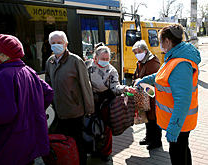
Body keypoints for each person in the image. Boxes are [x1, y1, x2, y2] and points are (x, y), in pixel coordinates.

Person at [135, 24, 201, 165]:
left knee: (178, 156)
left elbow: (183, 100)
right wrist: (144, 80)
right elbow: (161, 75)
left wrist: (174, 128)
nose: (159, 45)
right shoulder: (173, 58)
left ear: (167, 41)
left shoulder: (181, 64)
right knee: (182, 151)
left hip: (179, 122)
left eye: (159, 41)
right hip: (176, 120)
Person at [0, 34, 54, 165]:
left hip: (11, 141)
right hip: (29, 138)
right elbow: (48, 93)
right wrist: (34, 112)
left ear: (6, 55)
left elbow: (1, 114)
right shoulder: (29, 71)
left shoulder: (2, 76)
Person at [45, 31, 94, 165]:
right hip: (58, 111)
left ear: (66, 44)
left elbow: (85, 85)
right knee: (63, 143)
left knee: (78, 142)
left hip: (74, 111)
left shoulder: (75, 61)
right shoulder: (50, 61)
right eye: (53, 43)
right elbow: (48, 85)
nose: (56, 45)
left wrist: (89, 108)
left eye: (59, 42)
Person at [85, 43, 136, 161]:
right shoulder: (87, 65)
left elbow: (115, 87)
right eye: (103, 59)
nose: (105, 61)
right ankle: (94, 149)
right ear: (95, 57)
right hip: (89, 100)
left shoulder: (111, 70)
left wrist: (125, 88)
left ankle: (105, 152)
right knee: (90, 125)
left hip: (105, 101)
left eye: (107, 59)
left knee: (106, 128)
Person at [132, 40, 162, 150]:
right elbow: (135, 75)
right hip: (144, 95)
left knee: (153, 119)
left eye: (139, 51)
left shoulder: (152, 61)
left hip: (152, 94)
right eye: (135, 52)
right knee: (147, 118)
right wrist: (135, 81)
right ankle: (148, 137)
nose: (137, 54)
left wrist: (140, 81)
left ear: (145, 51)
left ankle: (156, 141)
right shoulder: (140, 62)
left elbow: (152, 79)